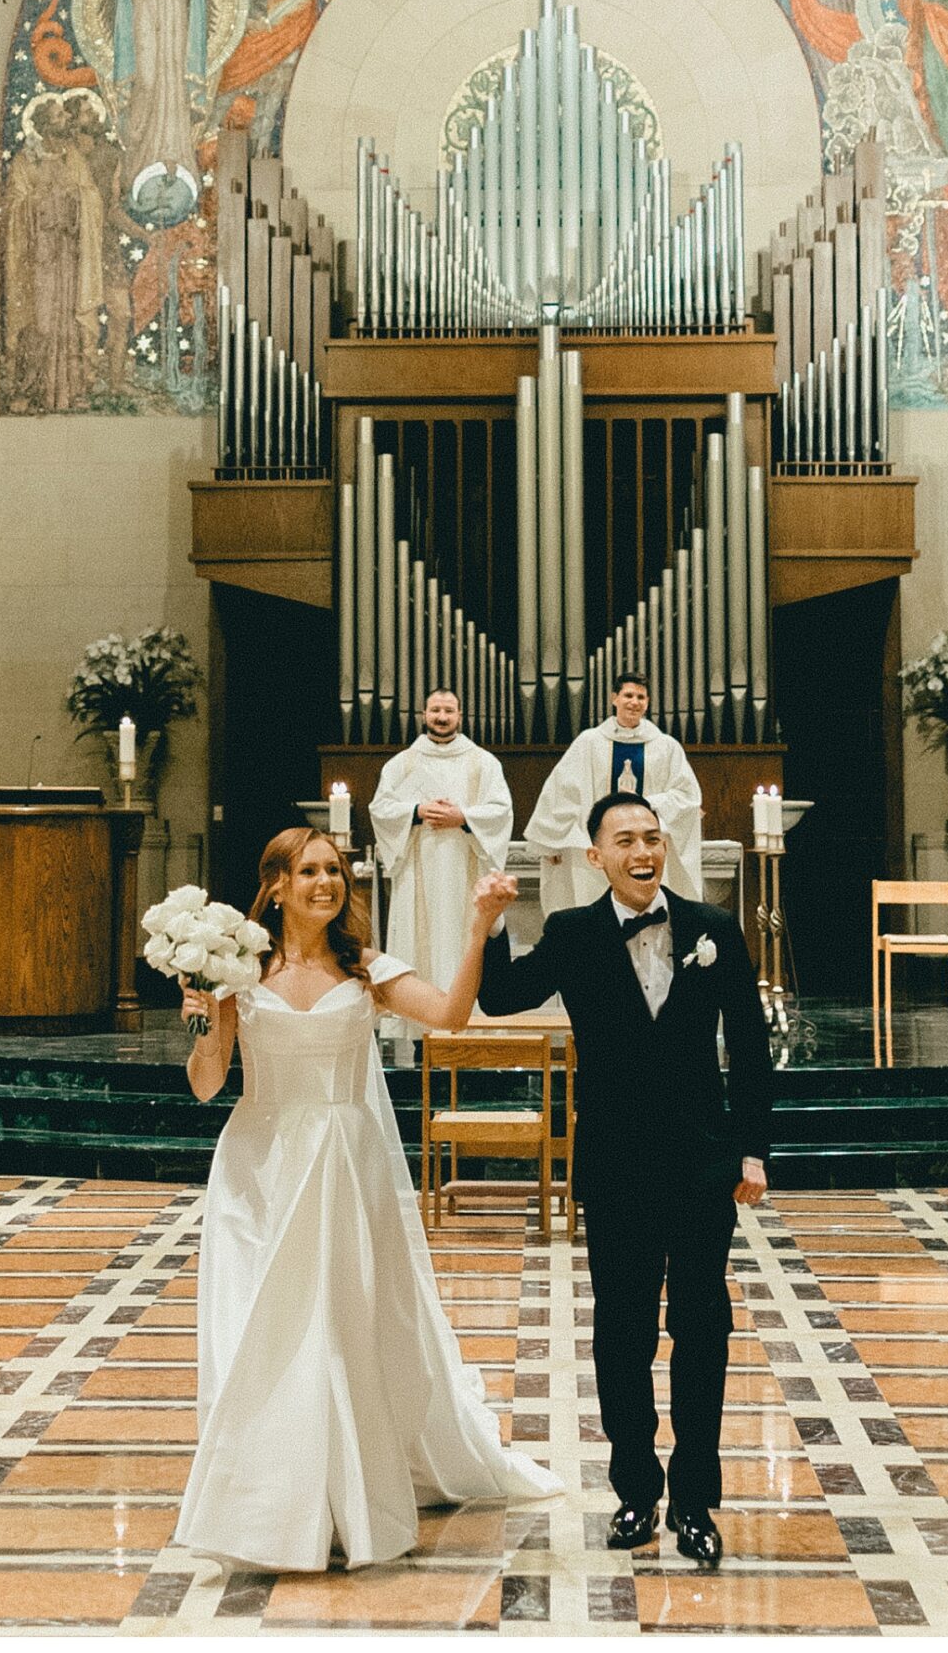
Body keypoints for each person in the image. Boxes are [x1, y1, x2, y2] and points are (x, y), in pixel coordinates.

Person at [172, 826, 558, 1572]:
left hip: (346, 1165)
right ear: (275, 884)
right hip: (260, 1168)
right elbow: (208, 1084)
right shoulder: (237, 969)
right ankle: (266, 1503)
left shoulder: (368, 968)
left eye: (336, 871)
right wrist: (200, 1018)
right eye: (310, 871)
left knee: (338, 1329)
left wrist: (478, 929)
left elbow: (448, 1014)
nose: (327, 883)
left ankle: (345, 1496)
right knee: (263, 1329)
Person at [477, 797, 773, 1571]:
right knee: (623, 1332)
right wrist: (490, 925)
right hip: (614, 1163)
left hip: (703, 1160)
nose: (642, 851)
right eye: (625, 841)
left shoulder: (713, 928)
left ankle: (697, 1499)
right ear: (595, 858)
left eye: (651, 837)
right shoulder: (574, 933)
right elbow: (500, 997)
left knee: (703, 1328)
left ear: (664, 846)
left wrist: (752, 1150)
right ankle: (635, 1490)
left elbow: (747, 1043)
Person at [369, 688, 514, 1064]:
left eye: (448, 710)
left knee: (461, 941)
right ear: (423, 713)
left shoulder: (483, 763)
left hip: (464, 875)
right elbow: (381, 808)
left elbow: (500, 811)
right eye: (435, 709)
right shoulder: (402, 764)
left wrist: (463, 817)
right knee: (421, 950)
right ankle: (420, 1039)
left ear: (460, 716)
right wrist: (417, 810)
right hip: (418, 875)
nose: (442, 716)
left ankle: (469, 1039)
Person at [526, 673, 703, 920]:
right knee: (594, 916)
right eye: (628, 695)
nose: (634, 702)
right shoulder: (589, 742)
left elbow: (688, 796)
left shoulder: (666, 746)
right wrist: (551, 840)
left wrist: (648, 804)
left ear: (648, 702)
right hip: (595, 852)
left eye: (640, 697)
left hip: (645, 852)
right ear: (614, 699)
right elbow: (562, 791)